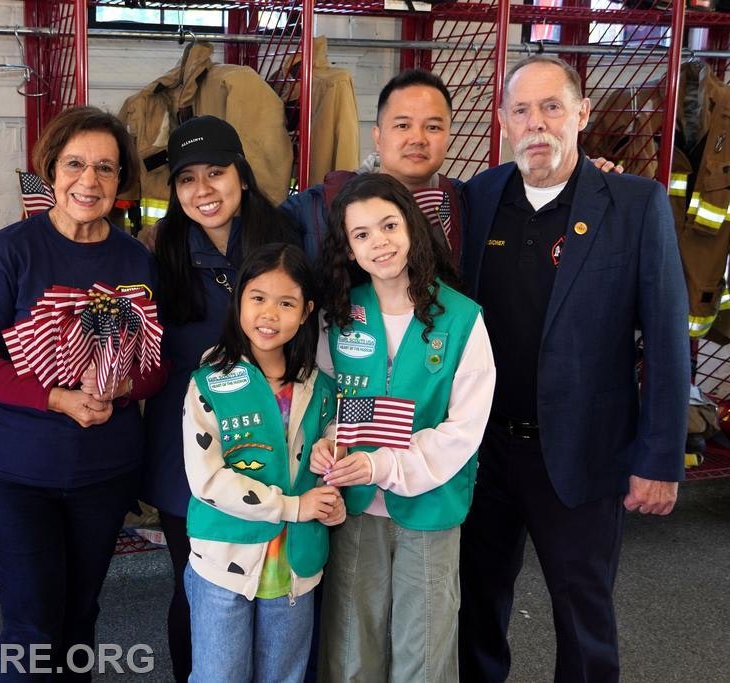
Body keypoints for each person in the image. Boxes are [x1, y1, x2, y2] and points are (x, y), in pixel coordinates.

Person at [457, 55, 690, 683]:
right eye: (522, 110)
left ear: (582, 115)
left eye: (552, 107)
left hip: (585, 454)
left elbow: (668, 340)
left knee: (584, 616)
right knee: (475, 608)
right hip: (483, 454)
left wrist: (659, 459)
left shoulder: (637, 205)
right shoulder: (476, 200)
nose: (538, 124)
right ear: (502, 121)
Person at [0, 105, 164, 681]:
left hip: (103, 472)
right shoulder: (12, 250)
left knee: (80, 618)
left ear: (122, 181)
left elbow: (155, 368)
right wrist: (56, 399)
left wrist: (122, 384)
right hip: (12, 473)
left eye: (105, 168)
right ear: (50, 169)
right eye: (74, 164)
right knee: (32, 626)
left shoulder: (135, 258)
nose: (88, 181)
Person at [310, 172, 495, 682]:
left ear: (412, 227)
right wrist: (328, 444)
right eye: (362, 234)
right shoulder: (342, 316)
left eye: (389, 225)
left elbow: (463, 429)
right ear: (348, 250)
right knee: (351, 643)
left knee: (425, 647)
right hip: (354, 507)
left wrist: (382, 463)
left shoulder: (461, 319)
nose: (379, 243)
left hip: (430, 506)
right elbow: (327, 402)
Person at [141, 115, 301, 682]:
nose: (202, 190)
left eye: (216, 172)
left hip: (276, 440)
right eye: (187, 179)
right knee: (201, 586)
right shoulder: (163, 252)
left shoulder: (287, 235)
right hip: (189, 452)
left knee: (283, 587)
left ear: (242, 173)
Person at [182, 242, 345, 682]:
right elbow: (207, 480)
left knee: (285, 676)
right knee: (220, 676)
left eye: (286, 302)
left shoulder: (321, 386)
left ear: (307, 311)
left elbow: (336, 438)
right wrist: (293, 506)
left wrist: (332, 450)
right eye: (257, 298)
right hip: (224, 561)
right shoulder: (211, 381)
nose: (269, 314)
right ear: (239, 300)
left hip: (295, 565)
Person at [282, 69, 463, 260]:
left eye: (433, 127)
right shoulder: (316, 207)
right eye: (403, 125)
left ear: (448, 138)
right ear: (378, 137)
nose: (418, 139)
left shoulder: (462, 203)